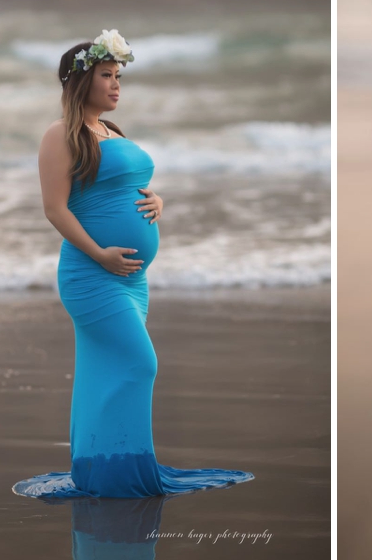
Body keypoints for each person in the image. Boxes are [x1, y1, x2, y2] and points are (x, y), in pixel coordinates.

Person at [14, 30, 254, 499]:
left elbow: (123, 187)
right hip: (91, 274)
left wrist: (157, 201)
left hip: (131, 281)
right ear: (81, 82)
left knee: (106, 369)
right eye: (107, 75)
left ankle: (105, 466)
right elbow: (55, 208)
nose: (116, 85)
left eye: (118, 75)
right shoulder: (59, 135)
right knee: (139, 363)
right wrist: (100, 252)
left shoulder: (110, 131)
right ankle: (117, 470)